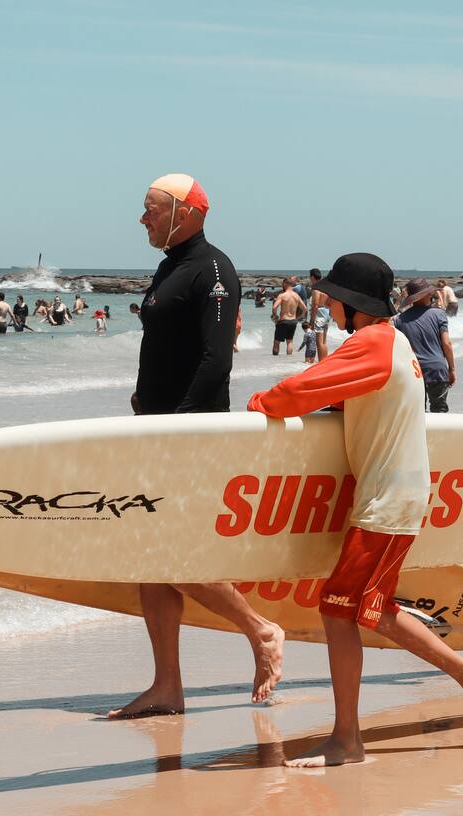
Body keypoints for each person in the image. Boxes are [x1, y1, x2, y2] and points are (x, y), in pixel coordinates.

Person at [248, 253, 463, 766]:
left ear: (353, 304)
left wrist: (257, 407)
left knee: (337, 608)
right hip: (396, 495)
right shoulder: (395, 341)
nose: (328, 305)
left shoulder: (370, 343)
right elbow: (349, 395)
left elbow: (297, 391)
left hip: (387, 501)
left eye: (334, 298)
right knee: (373, 610)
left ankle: (348, 740)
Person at [119, 172, 283, 719]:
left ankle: (260, 630)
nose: (142, 218)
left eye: (150, 209)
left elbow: (217, 359)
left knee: (168, 553)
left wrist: (183, 425)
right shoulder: (171, 266)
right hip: (158, 428)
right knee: (151, 559)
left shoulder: (214, 269)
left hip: (189, 434)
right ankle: (167, 685)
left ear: (184, 213)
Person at [395, 277, 456, 413]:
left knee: (417, 414)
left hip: (413, 372)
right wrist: (452, 369)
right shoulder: (439, 314)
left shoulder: (400, 320)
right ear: (426, 294)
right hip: (437, 369)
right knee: (440, 411)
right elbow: (446, 343)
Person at [270, 278, 305, 355]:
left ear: (285, 284)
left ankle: (274, 359)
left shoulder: (282, 295)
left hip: (283, 321)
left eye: (282, 284)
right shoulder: (296, 296)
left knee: (276, 342)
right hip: (293, 321)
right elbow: (304, 309)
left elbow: (274, 307)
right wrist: (298, 317)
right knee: (289, 342)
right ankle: (288, 359)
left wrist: (275, 316)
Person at [308, 268, 332, 361]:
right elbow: (330, 303)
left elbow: (315, 305)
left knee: (319, 342)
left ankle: (321, 363)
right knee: (324, 341)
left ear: (312, 277)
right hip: (326, 314)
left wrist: (311, 321)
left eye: (310, 277)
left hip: (319, 315)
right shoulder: (325, 288)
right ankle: (324, 361)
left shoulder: (316, 289)